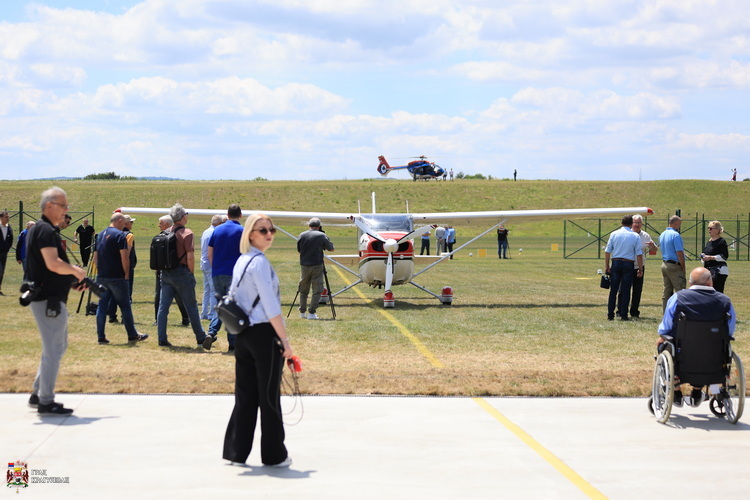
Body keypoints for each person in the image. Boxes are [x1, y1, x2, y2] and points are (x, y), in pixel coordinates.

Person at [223, 213, 293, 468]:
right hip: (263, 334)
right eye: (263, 230)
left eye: (271, 230)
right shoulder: (259, 263)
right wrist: (285, 340)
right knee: (269, 396)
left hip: (243, 335)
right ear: (251, 234)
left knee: (245, 395)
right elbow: (271, 306)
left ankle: (236, 452)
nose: (269, 234)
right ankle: (274, 455)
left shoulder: (242, 260)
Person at [25, 187, 88, 415]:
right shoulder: (45, 230)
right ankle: (45, 401)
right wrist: (76, 271)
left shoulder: (43, 229)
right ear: (49, 206)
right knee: (53, 349)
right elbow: (53, 264)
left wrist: (70, 281)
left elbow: (47, 269)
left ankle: (38, 393)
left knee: (57, 347)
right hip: (47, 300)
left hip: (49, 297)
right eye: (63, 206)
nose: (66, 210)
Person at [657, 267, 736, 406]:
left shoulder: (678, 298)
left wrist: (662, 336)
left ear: (690, 283)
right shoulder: (725, 301)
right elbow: (729, 331)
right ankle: (698, 390)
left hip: (683, 354)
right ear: (710, 282)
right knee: (716, 347)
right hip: (713, 357)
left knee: (662, 342)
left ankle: (675, 389)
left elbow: (666, 327)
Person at [156, 204, 209, 348]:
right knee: (191, 306)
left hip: (166, 273)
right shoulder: (187, 233)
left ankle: (161, 338)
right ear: (183, 217)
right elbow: (190, 256)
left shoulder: (166, 232)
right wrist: (191, 273)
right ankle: (200, 337)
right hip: (182, 273)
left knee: (163, 307)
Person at [93, 213, 149, 344]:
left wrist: (99, 271)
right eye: (123, 222)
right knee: (125, 306)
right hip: (117, 276)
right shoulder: (120, 235)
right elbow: (124, 256)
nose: (124, 225)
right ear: (119, 220)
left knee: (102, 306)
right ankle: (132, 334)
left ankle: (101, 336)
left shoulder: (100, 235)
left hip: (102, 276)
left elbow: (95, 256)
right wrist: (126, 274)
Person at [205, 204, 244, 351]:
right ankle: (232, 343)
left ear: (227, 215)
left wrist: (215, 268)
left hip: (217, 272)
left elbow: (210, 253)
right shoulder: (242, 231)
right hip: (234, 274)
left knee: (220, 305)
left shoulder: (216, 230)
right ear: (240, 215)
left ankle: (211, 332)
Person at [604, 215, 643, 321]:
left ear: (621, 223)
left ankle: (610, 314)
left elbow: (607, 251)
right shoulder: (635, 236)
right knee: (626, 290)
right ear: (631, 224)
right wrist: (640, 269)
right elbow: (639, 254)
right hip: (628, 264)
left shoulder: (614, 234)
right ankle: (624, 314)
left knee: (613, 290)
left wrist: (607, 266)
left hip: (616, 262)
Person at [153, 215, 190, 327]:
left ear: (168, 225)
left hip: (174, 270)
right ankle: (158, 319)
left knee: (178, 296)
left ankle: (185, 317)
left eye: (161, 223)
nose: (159, 225)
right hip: (162, 270)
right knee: (158, 296)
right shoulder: (160, 236)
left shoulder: (175, 237)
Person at [296, 217, 334, 320]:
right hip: (317, 265)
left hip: (304, 265)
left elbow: (299, 250)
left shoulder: (302, 235)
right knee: (317, 289)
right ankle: (312, 312)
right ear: (319, 226)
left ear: (309, 225)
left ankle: (302, 312)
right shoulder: (322, 235)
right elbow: (331, 249)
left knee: (303, 289)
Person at [620, 214, 656, 319]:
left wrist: (653, 246)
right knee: (623, 289)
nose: (637, 225)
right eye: (635, 222)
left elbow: (654, 251)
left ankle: (634, 311)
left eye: (639, 223)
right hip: (627, 265)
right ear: (631, 223)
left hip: (639, 266)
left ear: (642, 224)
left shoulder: (645, 235)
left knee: (637, 290)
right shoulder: (627, 234)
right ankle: (621, 310)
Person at [659, 215, 686, 311]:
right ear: (675, 224)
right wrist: (683, 266)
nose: (679, 226)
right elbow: (679, 252)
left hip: (665, 264)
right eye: (679, 224)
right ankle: (680, 313)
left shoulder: (662, 234)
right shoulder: (675, 235)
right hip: (674, 265)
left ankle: (666, 313)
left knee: (667, 291)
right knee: (680, 291)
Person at [200, 214, 224, 321]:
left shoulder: (206, 231)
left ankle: (204, 313)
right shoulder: (214, 233)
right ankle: (211, 314)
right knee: (213, 290)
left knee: (207, 290)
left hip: (204, 263)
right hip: (210, 264)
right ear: (219, 223)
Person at [702, 220, 729, 293]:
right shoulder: (709, 241)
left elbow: (724, 256)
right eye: (708, 228)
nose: (709, 230)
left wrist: (710, 258)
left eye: (711, 228)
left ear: (717, 230)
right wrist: (703, 257)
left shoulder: (721, 242)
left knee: (716, 292)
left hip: (719, 272)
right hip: (709, 270)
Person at [0, 210, 13, 296]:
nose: (8, 218)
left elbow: (10, 239)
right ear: (1, 218)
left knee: (2, 272)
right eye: (6, 217)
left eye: (8, 217)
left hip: (4, 253)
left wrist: (7, 248)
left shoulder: (9, 228)